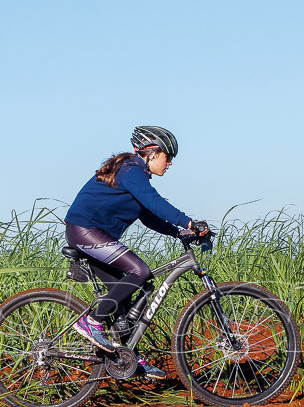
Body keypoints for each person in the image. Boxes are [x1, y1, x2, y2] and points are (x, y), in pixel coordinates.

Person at [64, 125, 209, 380]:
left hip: (94, 234)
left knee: (126, 295)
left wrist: (178, 233)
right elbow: (155, 202)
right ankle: (91, 321)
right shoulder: (131, 170)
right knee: (140, 271)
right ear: (152, 153)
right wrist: (188, 222)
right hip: (85, 231)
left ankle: (129, 359)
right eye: (168, 156)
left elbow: (148, 216)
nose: (170, 163)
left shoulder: (134, 175)